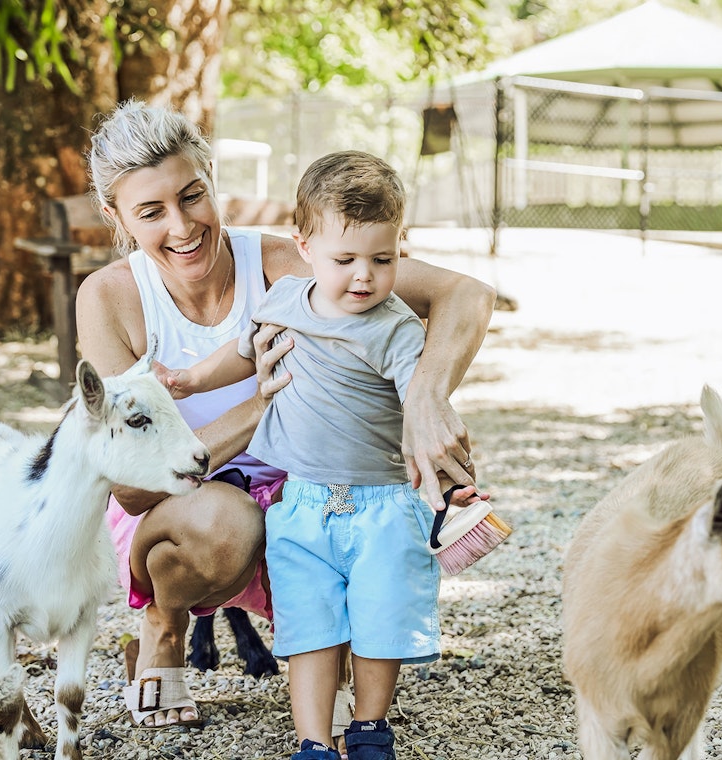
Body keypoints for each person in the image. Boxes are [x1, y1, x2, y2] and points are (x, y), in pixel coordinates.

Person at [76, 100, 496, 731]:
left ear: (213, 179)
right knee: (226, 523)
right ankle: (163, 623)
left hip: (308, 489)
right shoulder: (108, 298)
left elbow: (466, 293)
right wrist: (259, 407)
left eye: (193, 196)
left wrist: (426, 404)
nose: (183, 226)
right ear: (115, 216)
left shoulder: (287, 262)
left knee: (361, 641)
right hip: (185, 511)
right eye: (151, 211)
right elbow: (134, 489)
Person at [156, 149, 485, 760]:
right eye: (346, 259)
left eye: (382, 260)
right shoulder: (283, 300)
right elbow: (246, 351)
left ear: (399, 251)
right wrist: (193, 379)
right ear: (303, 246)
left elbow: (425, 407)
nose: (364, 276)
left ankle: (368, 726)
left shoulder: (394, 329)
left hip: (382, 501)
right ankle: (311, 741)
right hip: (302, 501)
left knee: (378, 624)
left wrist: (453, 473)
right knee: (308, 628)